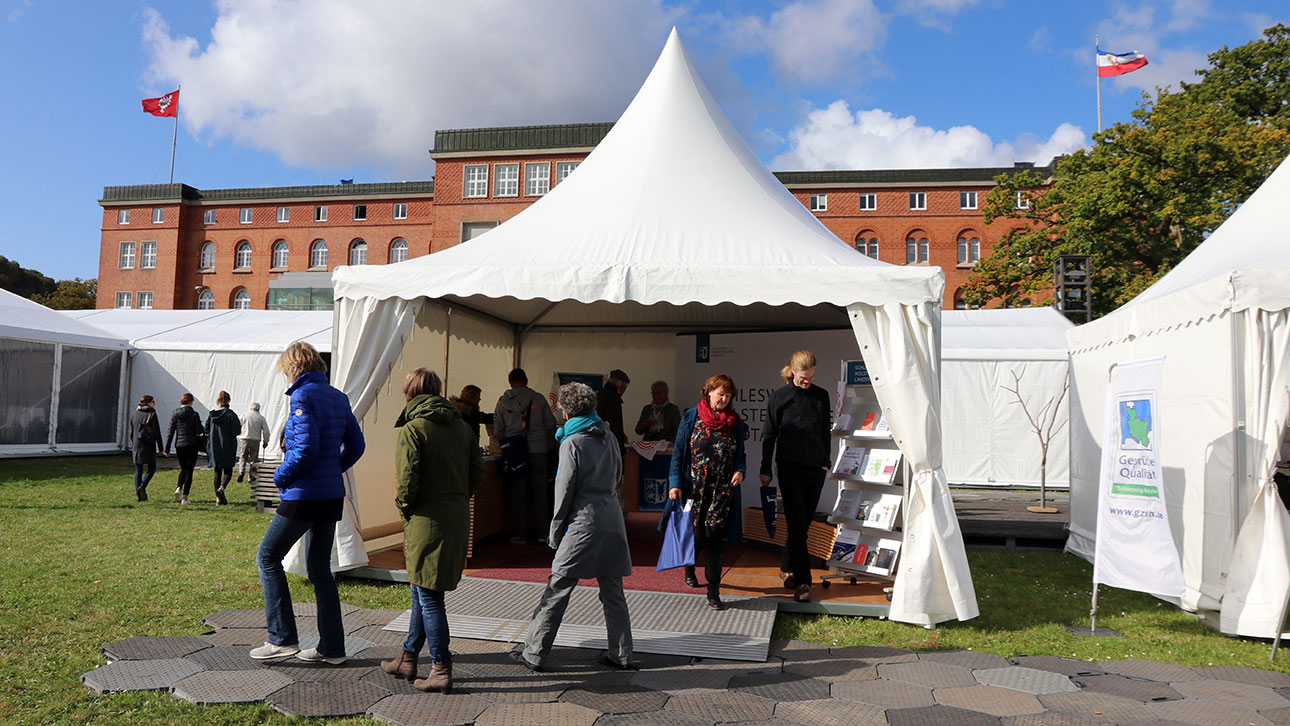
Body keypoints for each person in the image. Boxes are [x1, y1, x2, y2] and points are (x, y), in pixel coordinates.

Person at [250, 342, 365, 665]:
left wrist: (280, 476)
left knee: (267, 557)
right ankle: (332, 647)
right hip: (331, 495)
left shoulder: (301, 396)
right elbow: (356, 445)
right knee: (320, 570)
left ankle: (282, 638)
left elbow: (304, 450)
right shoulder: (338, 397)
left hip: (304, 495)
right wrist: (333, 469)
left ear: (293, 368)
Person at [511, 382, 635, 672]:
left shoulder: (572, 443)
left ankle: (534, 652)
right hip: (612, 521)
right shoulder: (609, 436)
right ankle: (622, 654)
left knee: (557, 589)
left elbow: (563, 492)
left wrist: (554, 533)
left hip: (583, 523)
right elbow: (618, 474)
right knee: (613, 593)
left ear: (566, 412)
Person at [381, 369, 485, 693]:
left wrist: (406, 510)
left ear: (409, 393)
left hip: (426, 519)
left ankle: (440, 668)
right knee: (421, 590)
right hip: (455, 515)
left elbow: (406, 483)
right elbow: (477, 473)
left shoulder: (414, 429)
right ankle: (408, 657)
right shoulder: (462, 427)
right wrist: (456, 497)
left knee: (428, 596)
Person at [668, 374, 747, 610]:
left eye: (728, 395)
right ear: (709, 392)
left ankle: (713, 590)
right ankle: (690, 566)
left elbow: (740, 455)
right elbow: (679, 452)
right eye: (720, 394)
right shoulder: (691, 417)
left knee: (714, 537)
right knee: (697, 537)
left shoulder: (734, 422)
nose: (724, 399)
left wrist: (740, 470)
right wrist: (674, 483)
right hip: (693, 490)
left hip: (721, 491)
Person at [759, 350, 831, 603]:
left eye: (811, 376)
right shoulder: (779, 397)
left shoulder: (821, 396)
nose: (807, 381)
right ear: (792, 371)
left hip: (815, 469)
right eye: (803, 376)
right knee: (797, 526)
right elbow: (769, 436)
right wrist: (765, 468)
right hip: (789, 469)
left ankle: (787, 566)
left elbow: (825, 431)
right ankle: (803, 582)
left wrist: (825, 462)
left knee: (802, 525)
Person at [494, 368, 556, 543]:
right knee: (540, 493)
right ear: (526, 381)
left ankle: (520, 534)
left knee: (518, 493)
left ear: (510, 382)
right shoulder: (538, 398)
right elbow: (550, 423)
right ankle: (543, 533)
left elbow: (498, 430)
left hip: (515, 453)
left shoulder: (502, 402)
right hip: (538, 450)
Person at [164, 392, 203, 505]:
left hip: (179, 445)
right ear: (191, 402)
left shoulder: (175, 413)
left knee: (183, 468)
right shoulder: (194, 414)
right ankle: (185, 497)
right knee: (189, 470)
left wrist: (167, 448)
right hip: (192, 444)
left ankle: (179, 487)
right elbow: (199, 430)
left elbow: (171, 431)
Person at [204, 391, 242, 506]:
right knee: (228, 470)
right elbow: (236, 431)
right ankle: (222, 487)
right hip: (228, 446)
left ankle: (218, 499)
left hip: (214, 446)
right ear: (228, 400)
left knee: (217, 471)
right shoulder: (231, 415)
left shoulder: (212, 415)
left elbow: (206, 429)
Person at [129, 395, 166, 501]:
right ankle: (143, 486)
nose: (154, 404)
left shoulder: (135, 414)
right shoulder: (152, 414)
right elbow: (157, 432)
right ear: (149, 403)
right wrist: (161, 447)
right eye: (153, 402)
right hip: (148, 445)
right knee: (152, 467)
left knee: (138, 470)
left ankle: (140, 496)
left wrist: (133, 443)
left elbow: (132, 431)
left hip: (136, 445)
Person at [596, 369, 631, 450]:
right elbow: (614, 424)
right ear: (621, 385)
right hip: (609, 444)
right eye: (625, 387)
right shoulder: (613, 398)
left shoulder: (600, 394)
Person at [236, 402, 270, 483]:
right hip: (255, 440)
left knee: (243, 457)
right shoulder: (261, 418)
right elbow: (266, 431)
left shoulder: (245, 415)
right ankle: (250, 476)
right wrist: (265, 441)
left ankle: (241, 472)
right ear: (258, 409)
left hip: (244, 439)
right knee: (253, 459)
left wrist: (238, 433)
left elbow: (238, 425)